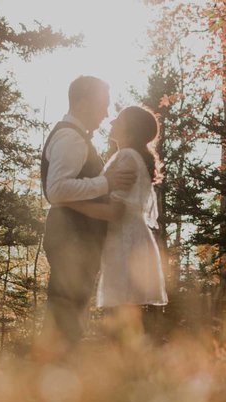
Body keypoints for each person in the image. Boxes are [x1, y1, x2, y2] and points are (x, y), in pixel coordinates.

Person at [39, 76, 135, 350]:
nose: (106, 114)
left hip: (76, 237)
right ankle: (52, 375)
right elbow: (56, 190)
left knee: (70, 308)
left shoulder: (76, 137)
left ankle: (55, 375)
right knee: (65, 309)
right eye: (102, 105)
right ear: (82, 103)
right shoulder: (70, 137)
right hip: (71, 237)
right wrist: (107, 182)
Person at [86, 106, 168, 342]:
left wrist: (72, 205)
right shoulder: (132, 156)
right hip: (129, 240)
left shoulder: (127, 157)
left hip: (125, 244)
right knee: (125, 318)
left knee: (119, 318)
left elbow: (116, 210)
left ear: (130, 129)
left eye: (118, 119)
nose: (111, 121)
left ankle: (126, 374)